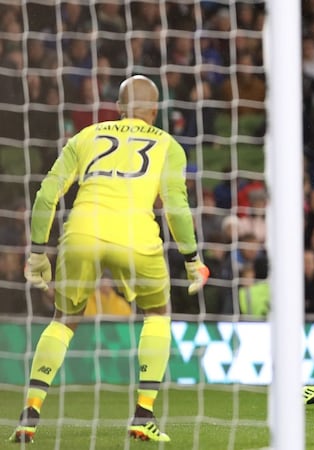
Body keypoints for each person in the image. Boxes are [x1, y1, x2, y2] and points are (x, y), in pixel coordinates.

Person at [10, 75, 210, 443]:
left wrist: (38, 252)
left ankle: (29, 415)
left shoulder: (85, 136)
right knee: (158, 313)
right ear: (154, 110)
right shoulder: (167, 145)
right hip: (136, 234)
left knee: (63, 320)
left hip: (82, 229)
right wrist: (192, 259)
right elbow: (177, 209)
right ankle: (143, 414)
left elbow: (45, 196)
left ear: (118, 108)